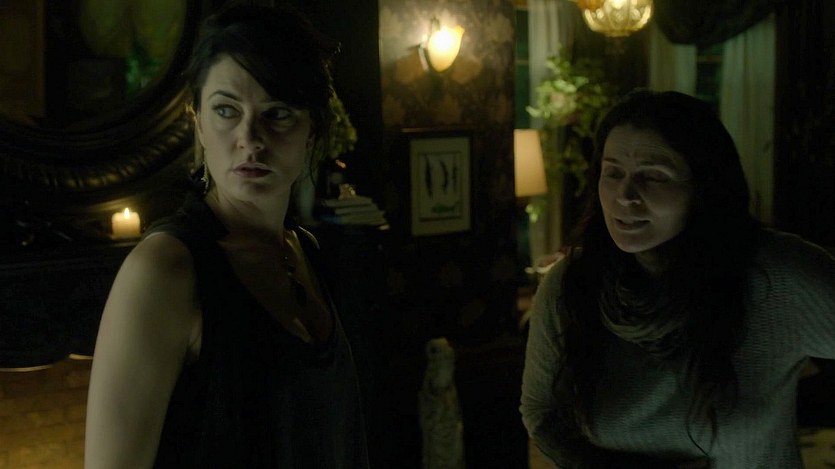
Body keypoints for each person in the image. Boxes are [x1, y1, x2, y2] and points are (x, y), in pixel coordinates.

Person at [84, 3, 370, 468]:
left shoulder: (307, 253)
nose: (250, 139)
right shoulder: (164, 270)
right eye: (226, 110)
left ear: (312, 129)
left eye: (277, 113)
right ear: (198, 120)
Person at [520, 89, 835, 468]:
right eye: (613, 173)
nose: (625, 195)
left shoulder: (776, 278)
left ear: (703, 187)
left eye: (653, 176)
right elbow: (541, 411)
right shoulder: (572, 284)